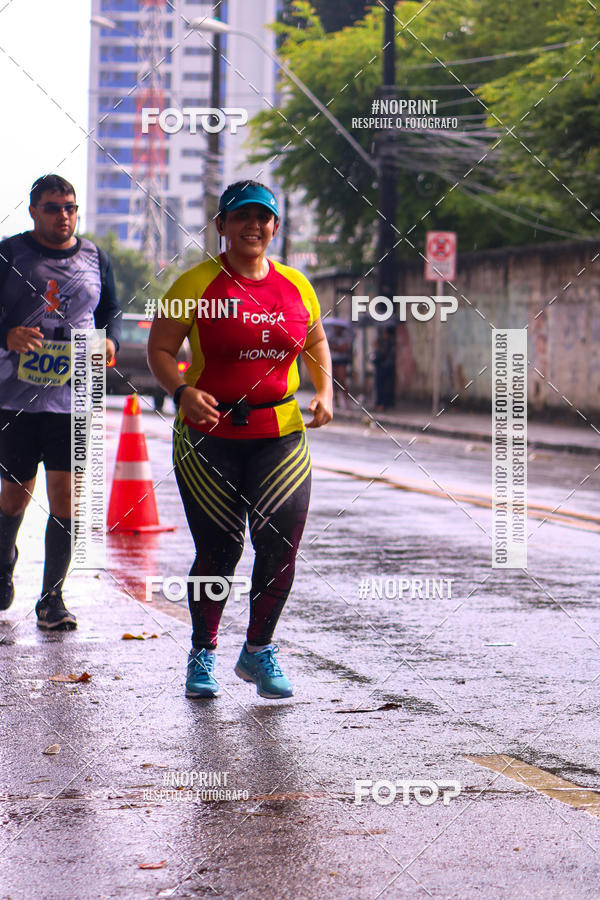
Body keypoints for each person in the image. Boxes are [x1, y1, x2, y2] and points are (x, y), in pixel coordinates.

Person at [148, 180, 333, 699]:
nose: (253, 226)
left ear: (275, 226)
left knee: (280, 544)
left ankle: (258, 650)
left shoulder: (296, 284)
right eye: (241, 217)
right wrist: (181, 391)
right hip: (208, 437)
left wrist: (325, 392)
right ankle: (202, 654)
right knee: (220, 548)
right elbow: (160, 349)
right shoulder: (196, 284)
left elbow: (316, 339)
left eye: (263, 217)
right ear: (221, 226)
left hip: (281, 434)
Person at [0, 174, 121, 629]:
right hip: (16, 398)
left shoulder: (95, 257)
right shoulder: (10, 254)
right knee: (15, 495)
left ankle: (52, 599)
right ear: (34, 210)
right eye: (52, 208)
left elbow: (109, 310)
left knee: (66, 497)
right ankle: (4, 562)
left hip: (74, 397)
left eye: (70, 207)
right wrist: (7, 335)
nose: (63, 216)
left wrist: (109, 341)